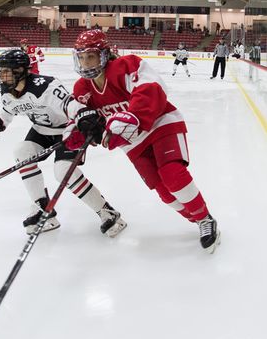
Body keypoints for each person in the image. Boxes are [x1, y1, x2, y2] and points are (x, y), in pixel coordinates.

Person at [65, 29, 220, 253]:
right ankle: (195, 219)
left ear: (105, 55)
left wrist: (133, 115)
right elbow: (88, 120)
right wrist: (79, 132)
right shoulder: (82, 88)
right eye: (81, 57)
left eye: (90, 56)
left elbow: (151, 89)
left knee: (172, 174)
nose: (85, 62)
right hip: (133, 143)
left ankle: (205, 219)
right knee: (163, 191)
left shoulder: (125, 66)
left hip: (160, 124)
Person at [0, 49, 127, 236]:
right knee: (22, 151)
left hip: (67, 130)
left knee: (63, 171)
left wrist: (82, 116)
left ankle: (108, 212)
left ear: (19, 71)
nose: (1, 75)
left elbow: (69, 104)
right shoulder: (8, 89)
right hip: (42, 130)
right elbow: (9, 110)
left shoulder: (44, 86)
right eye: (0, 71)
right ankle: (43, 209)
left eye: (5, 71)